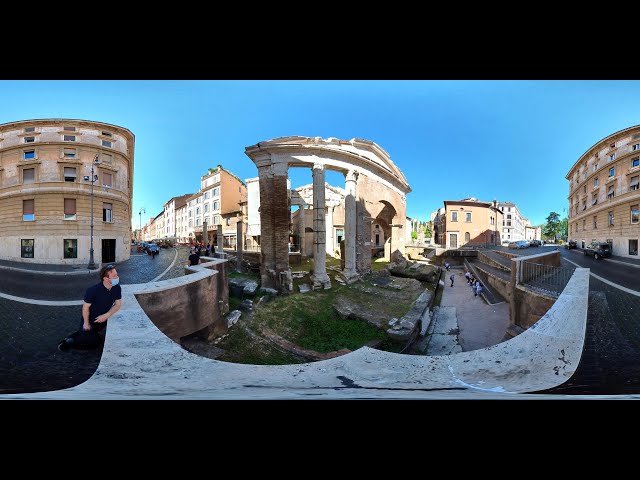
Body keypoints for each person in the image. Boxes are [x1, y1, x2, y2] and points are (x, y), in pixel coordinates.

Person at [58, 264, 122, 351]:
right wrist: (86, 323)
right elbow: (85, 308)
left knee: (93, 341)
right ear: (106, 279)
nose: (117, 277)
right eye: (114, 276)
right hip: (90, 319)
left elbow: (118, 304)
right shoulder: (93, 290)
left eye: (116, 274)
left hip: (103, 320)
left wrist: (107, 315)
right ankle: (69, 341)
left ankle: (88, 335)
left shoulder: (117, 288)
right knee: (90, 341)